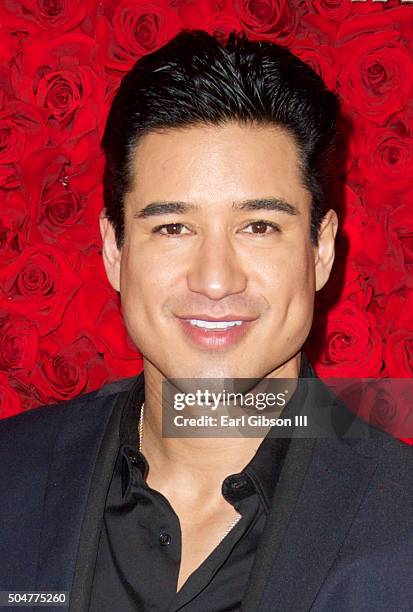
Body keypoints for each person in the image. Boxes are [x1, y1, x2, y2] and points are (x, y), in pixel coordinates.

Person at [1, 28, 413, 612]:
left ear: (321, 251)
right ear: (115, 250)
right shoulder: (11, 476)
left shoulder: (403, 524)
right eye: (173, 228)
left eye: (259, 226)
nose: (215, 280)